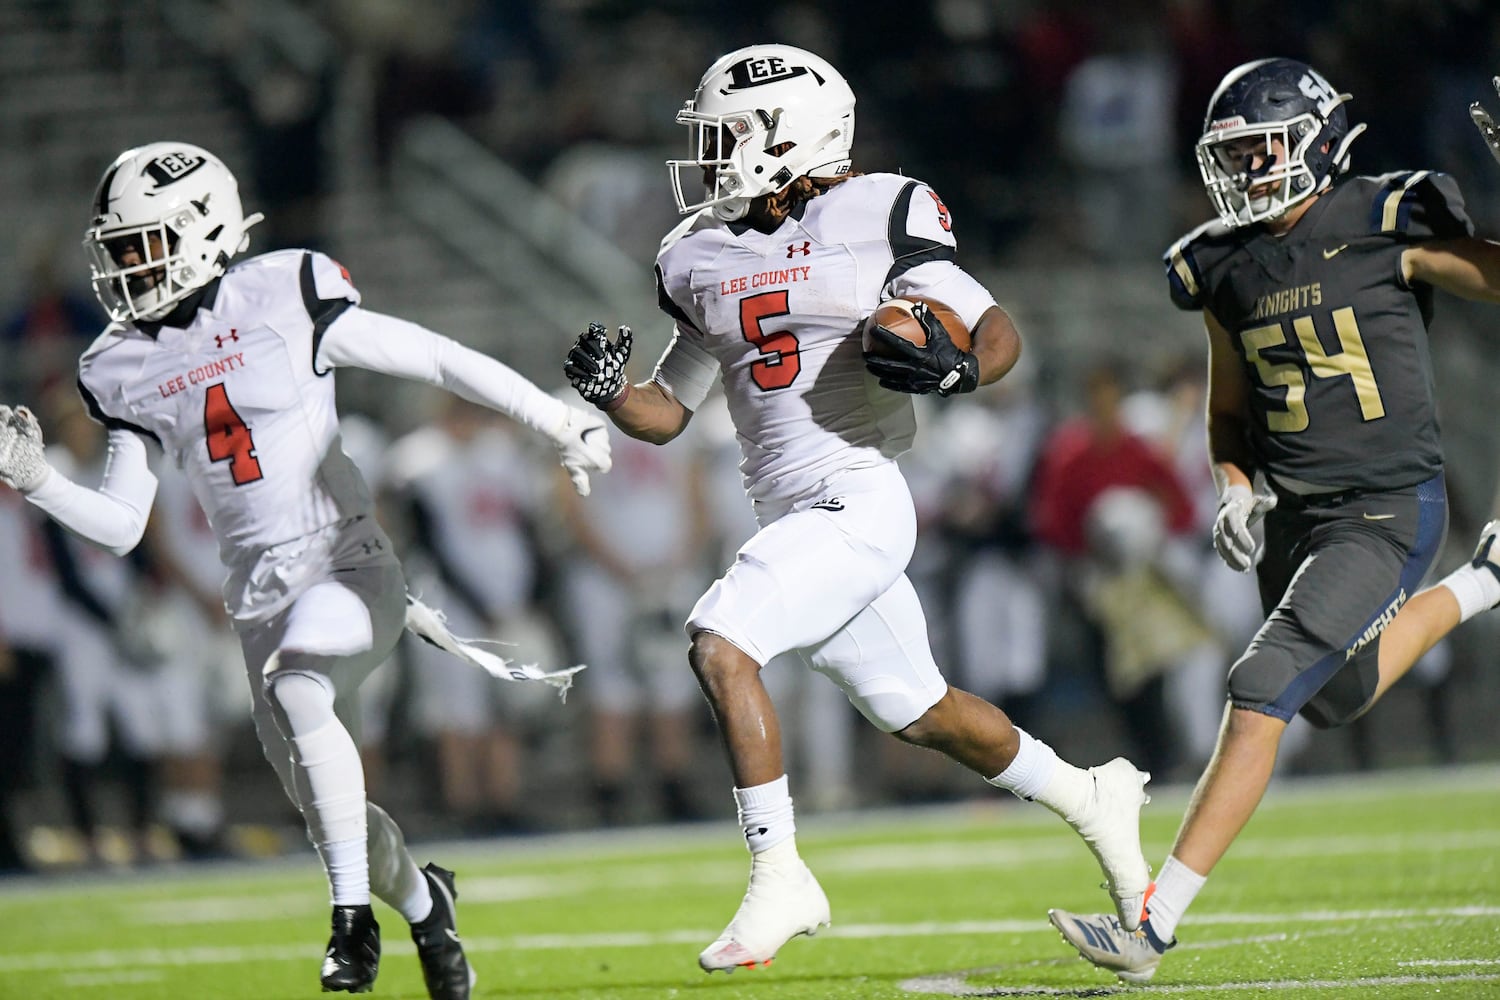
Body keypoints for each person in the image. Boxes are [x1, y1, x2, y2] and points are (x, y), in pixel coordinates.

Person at [562, 43, 1152, 974]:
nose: (708, 158)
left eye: (725, 137)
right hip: (790, 514)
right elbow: (670, 413)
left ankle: (780, 872)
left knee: (720, 640)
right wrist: (609, 393)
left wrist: (959, 366)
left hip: (861, 495)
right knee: (922, 713)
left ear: (785, 136)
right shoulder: (692, 254)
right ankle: (1093, 801)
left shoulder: (879, 207)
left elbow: (995, 331)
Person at [0, 142, 611, 998]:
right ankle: (425, 904)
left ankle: (350, 926)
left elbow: (432, 355)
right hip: (257, 599)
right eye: (120, 249)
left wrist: (554, 418)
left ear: (203, 229)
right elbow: (121, 527)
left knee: (299, 688)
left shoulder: (282, 292)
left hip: (349, 562)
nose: (128, 266)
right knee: (343, 820)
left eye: (142, 244)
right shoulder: (120, 364)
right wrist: (38, 482)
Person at [1047, 58, 1500, 984]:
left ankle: (1150, 925)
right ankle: (1490, 579)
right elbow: (1226, 415)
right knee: (1330, 697)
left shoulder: (1381, 220)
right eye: (1235, 154)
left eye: (1263, 149)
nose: (1247, 172)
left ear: (1319, 142)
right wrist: (1234, 488)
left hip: (1384, 507)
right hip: (1295, 512)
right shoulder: (1217, 261)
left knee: (1261, 681)